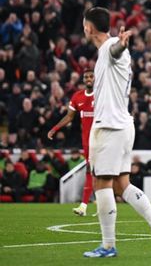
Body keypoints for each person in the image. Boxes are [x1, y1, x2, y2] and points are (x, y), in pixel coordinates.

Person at [81, 7, 151, 258]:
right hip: (123, 125)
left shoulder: (111, 48)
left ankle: (108, 246)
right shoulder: (107, 51)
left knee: (101, 183)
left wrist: (120, 44)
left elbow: (114, 51)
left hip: (109, 126)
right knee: (122, 184)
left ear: (88, 27)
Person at [48, 70, 95, 216]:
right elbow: (69, 117)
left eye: (91, 76)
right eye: (86, 77)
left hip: (103, 140)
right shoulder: (77, 96)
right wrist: (55, 129)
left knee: (100, 173)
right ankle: (86, 206)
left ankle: (89, 205)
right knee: (91, 172)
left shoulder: (102, 94)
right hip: (87, 143)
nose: (88, 79)